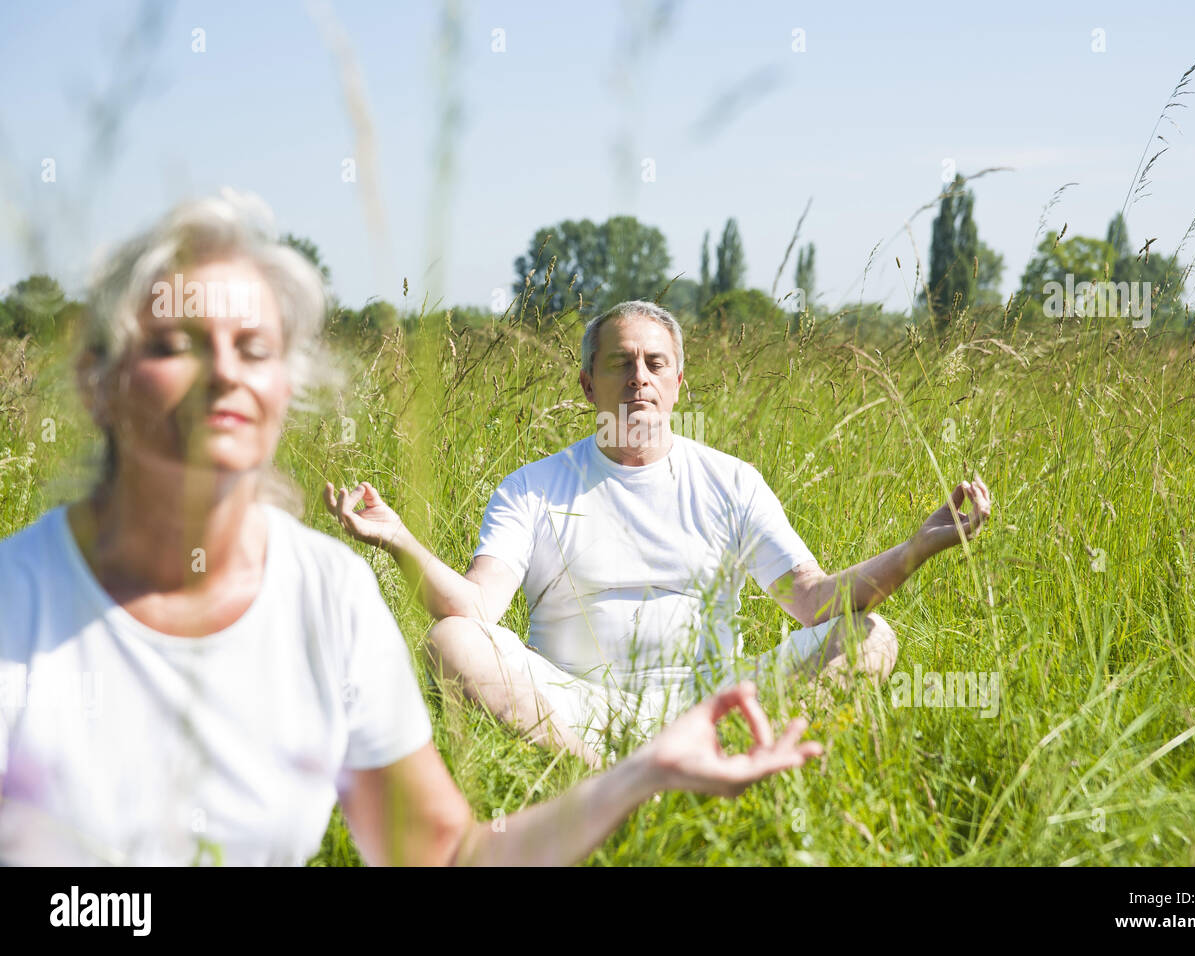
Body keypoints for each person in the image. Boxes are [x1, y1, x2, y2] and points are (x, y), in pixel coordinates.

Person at [0, 191, 822, 866]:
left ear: (289, 387)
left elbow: (448, 855)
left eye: (254, 347)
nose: (223, 372)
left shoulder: (330, 594)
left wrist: (641, 777)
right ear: (98, 380)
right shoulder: (19, 603)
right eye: (179, 343)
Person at [327, 300, 992, 768]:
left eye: (654, 364)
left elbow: (814, 601)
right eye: (620, 364)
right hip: (574, 710)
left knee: (869, 635)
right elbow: (476, 610)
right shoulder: (532, 488)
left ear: (678, 383)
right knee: (451, 640)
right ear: (588, 385)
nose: (638, 379)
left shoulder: (731, 481)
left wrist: (914, 549)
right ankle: (608, 779)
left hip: (719, 706)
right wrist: (400, 541)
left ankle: (731, 760)